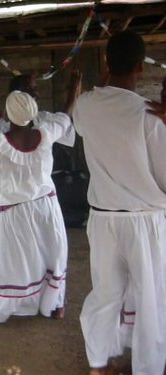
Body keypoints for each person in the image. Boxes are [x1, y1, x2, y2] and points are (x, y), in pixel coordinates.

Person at [74, 31, 166, 375]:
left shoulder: (85, 106)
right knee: (151, 301)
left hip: (102, 219)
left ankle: (98, 363)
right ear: (141, 67)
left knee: (106, 293)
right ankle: (149, 368)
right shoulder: (149, 117)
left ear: (106, 62)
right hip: (145, 221)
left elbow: (91, 115)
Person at [0, 90, 74, 324]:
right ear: (34, 112)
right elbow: (65, 117)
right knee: (50, 255)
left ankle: (7, 307)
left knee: (14, 263)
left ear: (7, 114)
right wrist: (73, 90)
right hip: (46, 207)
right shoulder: (46, 133)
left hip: (14, 213)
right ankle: (54, 304)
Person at [0, 71, 80, 193]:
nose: (35, 93)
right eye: (30, 89)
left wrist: (74, 90)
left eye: (35, 88)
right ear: (16, 95)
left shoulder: (42, 121)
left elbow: (63, 118)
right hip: (14, 201)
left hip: (42, 197)